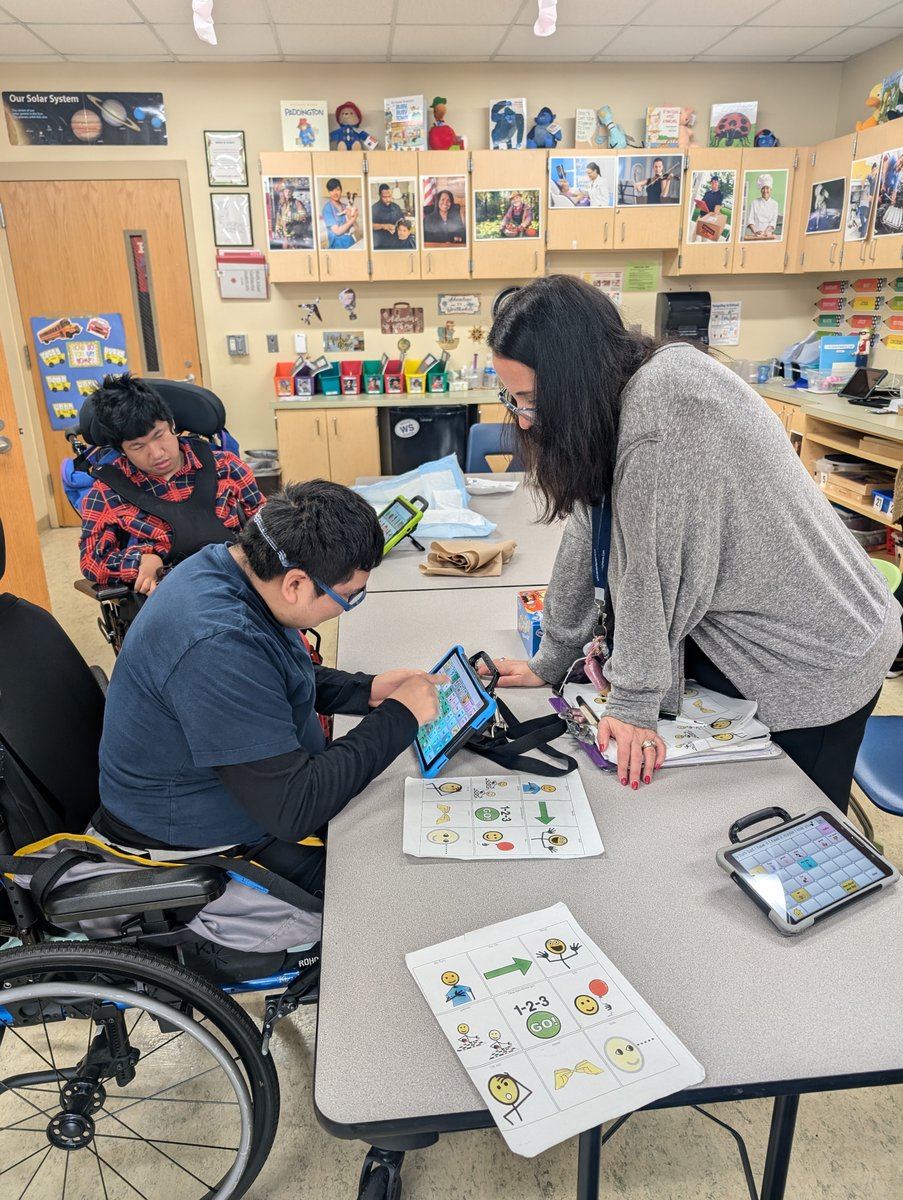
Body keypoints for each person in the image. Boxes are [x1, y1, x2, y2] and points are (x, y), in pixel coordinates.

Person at [482, 275, 901, 808]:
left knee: (789, 826)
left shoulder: (665, 410)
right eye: (514, 400)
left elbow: (649, 572)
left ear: (573, 381)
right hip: (751, 626)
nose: (524, 419)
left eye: (532, 401)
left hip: (815, 657)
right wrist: (555, 653)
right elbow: (590, 523)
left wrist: (632, 703)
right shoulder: (619, 397)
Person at [94, 481, 443, 895]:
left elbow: (266, 674)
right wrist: (398, 717)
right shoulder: (216, 644)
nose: (349, 606)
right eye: (349, 596)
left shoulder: (226, 566)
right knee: (394, 884)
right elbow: (294, 809)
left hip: (251, 794)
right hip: (193, 845)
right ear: (295, 584)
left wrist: (364, 690)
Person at [79, 373, 263, 594]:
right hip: (172, 595)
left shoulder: (226, 466)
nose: (156, 453)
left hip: (241, 583)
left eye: (159, 435)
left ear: (172, 425)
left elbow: (265, 523)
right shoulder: (107, 492)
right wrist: (140, 561)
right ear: (121, 450)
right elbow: (91, 560)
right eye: (138, 447)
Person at [321, 178, 359, 249]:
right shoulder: (327, 209)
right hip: (338, 247)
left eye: (337, 189)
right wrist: (353, 218)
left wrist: (351, 217)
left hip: (352, 244)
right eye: (332, 190)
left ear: (341, 190)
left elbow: (357, 229)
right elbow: (337, 232)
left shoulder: (346, 207)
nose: (335, 193)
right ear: (329, 192)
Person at [744, 173, 779, 239]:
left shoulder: (775, 204)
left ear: (771, 189)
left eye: (767, 188)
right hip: (756, 235)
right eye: (763, 188)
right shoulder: (754, 203)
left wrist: (766, 231)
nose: (765, 191)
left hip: (768, 235)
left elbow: (773, 221)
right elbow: (750, 219)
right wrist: (755, 231)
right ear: (760, 190)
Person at [371, 183, 404, 249]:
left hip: (395, 241)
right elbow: (370, 226)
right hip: (380, 243)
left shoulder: (396, 207)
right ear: (380, 196)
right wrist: (384, 226)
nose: (388, 199)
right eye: (385, 197)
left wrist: (400, 226)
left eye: (389, 196)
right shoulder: (374, 208)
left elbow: (402, 220)